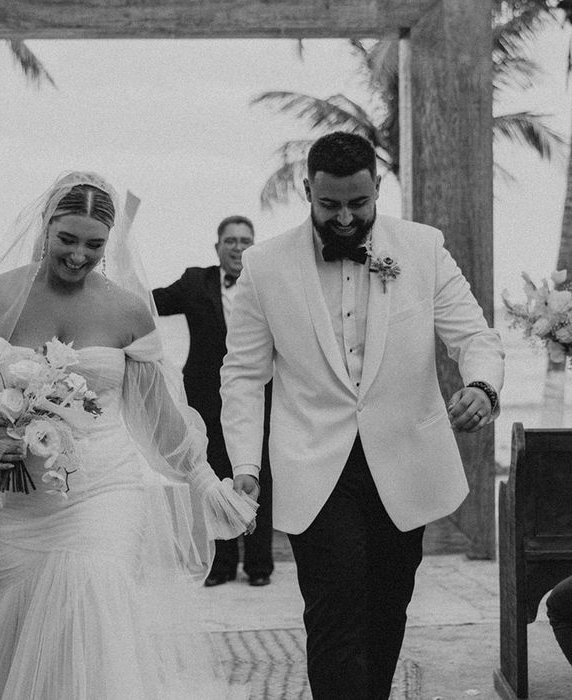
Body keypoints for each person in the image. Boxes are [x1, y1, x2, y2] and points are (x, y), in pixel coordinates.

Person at [0, 171, 257, 699]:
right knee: (20, 627)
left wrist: (208, 483)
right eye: (67, 239)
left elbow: (159, 414)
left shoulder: (126, 310)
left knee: (92, 604)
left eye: (94, 245)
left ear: (110, 242)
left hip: (103, 490)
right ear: (45, 227)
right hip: (14, 502)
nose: (78, 255)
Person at [220, 132, 505, 699]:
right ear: (308, 191)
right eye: (330, 205)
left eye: (359, 203)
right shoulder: (264, 265)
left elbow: (474, 336)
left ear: (377, 188)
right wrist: (245, 465)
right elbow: (244, 376)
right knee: (334, 610)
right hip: (314, 465)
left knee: (386, 608)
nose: (346, 218)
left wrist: (482, 387)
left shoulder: (422, 248)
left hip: (403, 460)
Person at [153, 215, 274, 587]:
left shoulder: (268, 284)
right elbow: (150, 303)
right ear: (217, 247)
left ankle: (259, 566)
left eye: (245, 241)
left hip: (258, 397)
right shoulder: (194, 282)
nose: (239, 247)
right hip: (205, 398)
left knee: (257, 474)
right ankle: (221, 566)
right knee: (214, 476)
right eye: (231, 241)